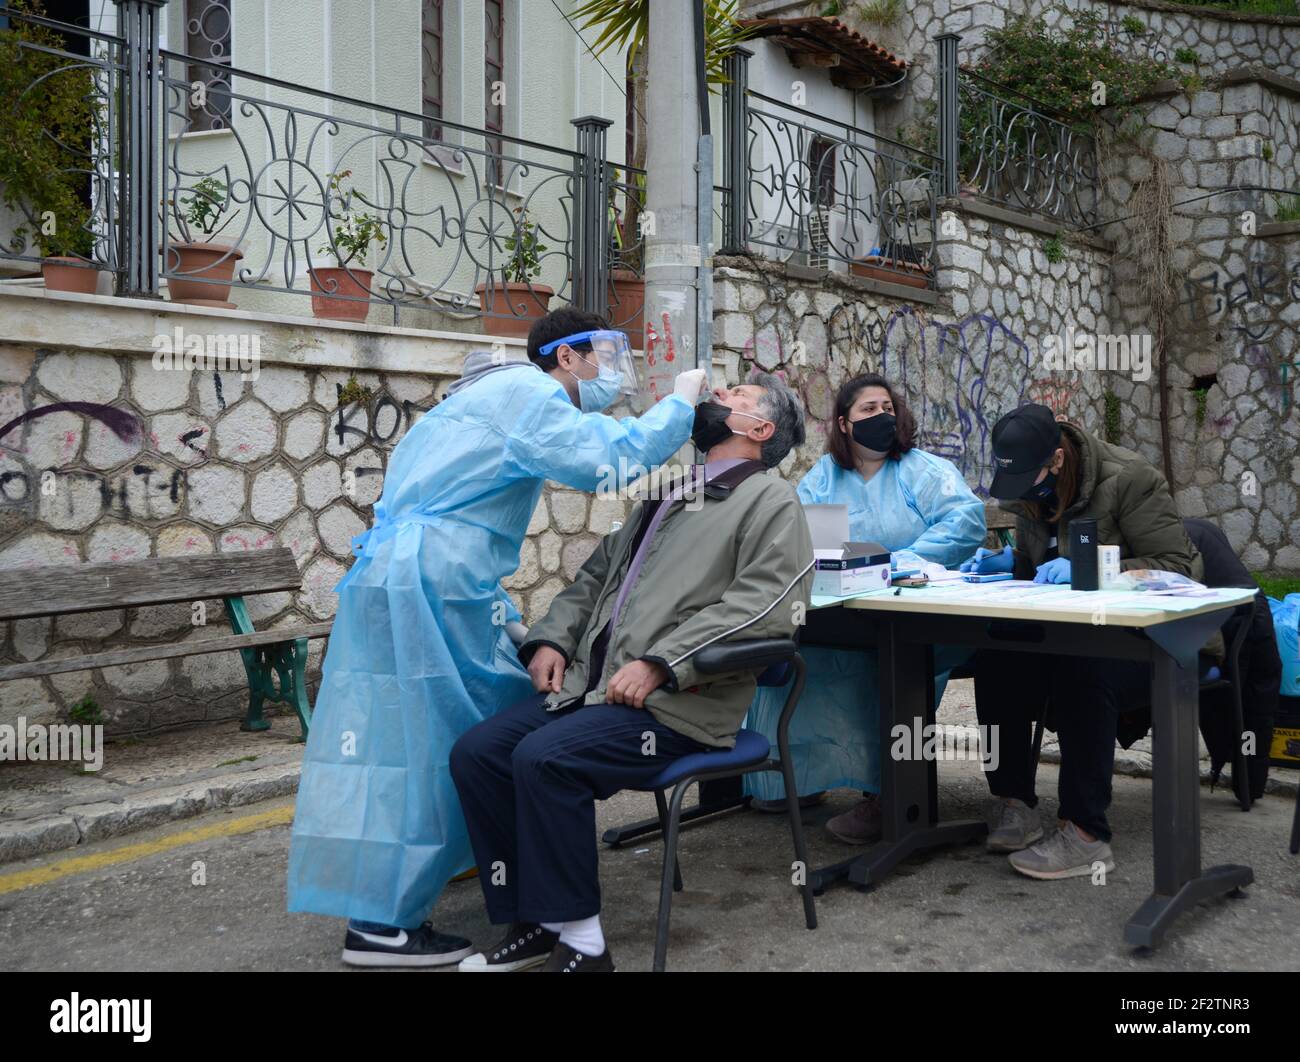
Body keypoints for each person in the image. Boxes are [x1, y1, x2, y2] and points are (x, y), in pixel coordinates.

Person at [287, 307, 708, 966]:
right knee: (461, 738)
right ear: (566, 357)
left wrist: (506, 620)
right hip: (433, 585)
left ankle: (464, 876)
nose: (609, 372)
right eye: (600, 354)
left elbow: (461, 513)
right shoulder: (532, 393)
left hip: (408, 579)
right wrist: (681, 406)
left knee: (411, 740)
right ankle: (389, 924)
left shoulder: (479, 400)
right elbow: (609, 459)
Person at [448, 373, 814, 972]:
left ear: (760, 430)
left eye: (734, 397)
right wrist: (551, 640)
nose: (714, 398)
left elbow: (767, 608)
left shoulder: (771, 502)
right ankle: (536, 920)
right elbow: (594, 579)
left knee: (544, 759)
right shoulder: (668, 493)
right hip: (596, 691)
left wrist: (664, 664)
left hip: (677, 706)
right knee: (479, 752)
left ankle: (586, 945)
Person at [965, 403, 1209, 880]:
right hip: (1069, 632)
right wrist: (1012, 563)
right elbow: (1043, 562)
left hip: (1150, 643)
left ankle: (1086, 835)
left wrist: (1095, 567)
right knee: (998, 657)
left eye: (1031, 481)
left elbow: (1180, 568)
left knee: (1082, 668)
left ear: (1057, 460)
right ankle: (1015, 803)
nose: (1024, 498)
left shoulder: (1130, 479)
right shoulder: (1030, 490)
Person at [743, 373, 986, 844]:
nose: (882, 417)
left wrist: (900, 561)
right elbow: (800, 531)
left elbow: (966, 522)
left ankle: (886, 797)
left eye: (887, 408)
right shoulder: (824, 477)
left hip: (919, 610)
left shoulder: (925, 471)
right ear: (844, 424)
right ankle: (796, 778)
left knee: (891, 666)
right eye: (868, 410)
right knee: (800, 654)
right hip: (844, 606)